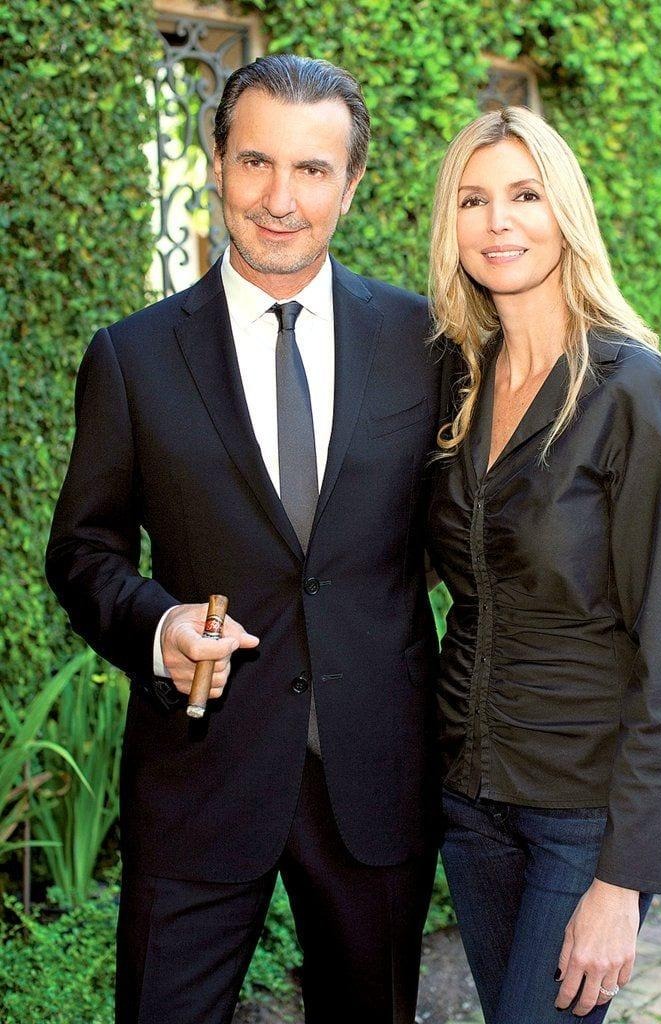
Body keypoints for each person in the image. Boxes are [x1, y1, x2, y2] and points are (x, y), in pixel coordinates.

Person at [46, 54, 441, 1024]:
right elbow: (83, 550)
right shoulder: (132, 356)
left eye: (312, 169)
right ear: (217, 162)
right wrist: (160, 624)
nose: (279, 199)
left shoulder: (424, 341)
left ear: (351, 183)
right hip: (199, 776)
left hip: (376, 776)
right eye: (256, 161)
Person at [426, 106, 661, 1023]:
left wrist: (623, 880)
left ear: (564, 213)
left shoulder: (634, 390)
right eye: (472, 200)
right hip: (468, 802)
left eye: (524, 195)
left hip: (581, 818)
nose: (497, 222)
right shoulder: (454, 384)